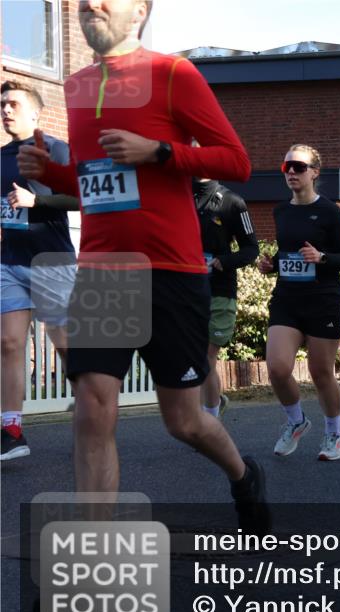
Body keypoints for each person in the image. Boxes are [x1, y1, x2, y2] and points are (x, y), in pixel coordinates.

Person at [16, 0, 268, 532]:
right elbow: (98, 187)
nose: (92, 4)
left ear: (141, 11)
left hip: (172, 271)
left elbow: (236, 161)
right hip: (105, 273)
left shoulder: (173, 74)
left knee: (182, 420)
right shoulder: (79, 86)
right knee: (92, 405)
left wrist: (158, 151)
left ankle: (244, 475)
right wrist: (54, 175)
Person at [258, 144, 340, 461]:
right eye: (287, 167)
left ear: (314, 172)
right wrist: (271, 265)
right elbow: (289, 256)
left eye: (299, 167)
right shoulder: (281, 211)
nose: (292, 173)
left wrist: (322, 256)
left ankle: (334, 435)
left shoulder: (329, 211)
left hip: (324, 300)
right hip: (287, 298)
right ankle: (297, 422)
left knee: (320, 372)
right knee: (277, 368)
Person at [1, 82, 79, 462]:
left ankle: (91, 414)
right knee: (9, 343)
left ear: (35, 113)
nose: (6, 110)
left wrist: (38, 200)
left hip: (52, 261)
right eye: (2, 105)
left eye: (14, 104)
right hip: (10, 262)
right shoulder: (1, 157)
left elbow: (82, 196)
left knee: (64, 344)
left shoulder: (55, 148)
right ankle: (12, 430)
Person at [194, 169, 258, 419]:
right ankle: (212, 403)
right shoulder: (177, 196)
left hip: (219, 290)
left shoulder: (233, 202)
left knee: (206, 356)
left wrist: (222, 261)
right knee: (191, 356)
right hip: (185, 288)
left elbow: (251, 250)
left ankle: (210, 418)